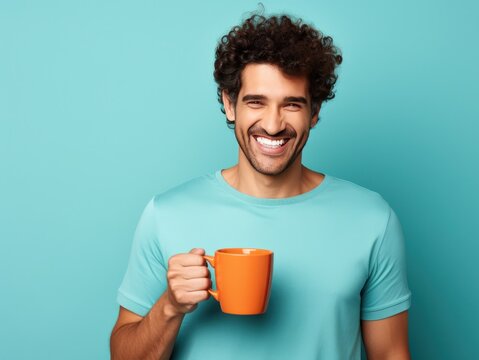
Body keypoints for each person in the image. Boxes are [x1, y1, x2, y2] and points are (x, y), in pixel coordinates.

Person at [110, 13, 412, 360]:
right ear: (229, 104)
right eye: (256, 102)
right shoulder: (166, 215)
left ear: (314, 112)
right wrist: (169, 307)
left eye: (292, 104)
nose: (272, 124)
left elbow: (391, 353)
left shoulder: (372, 219)